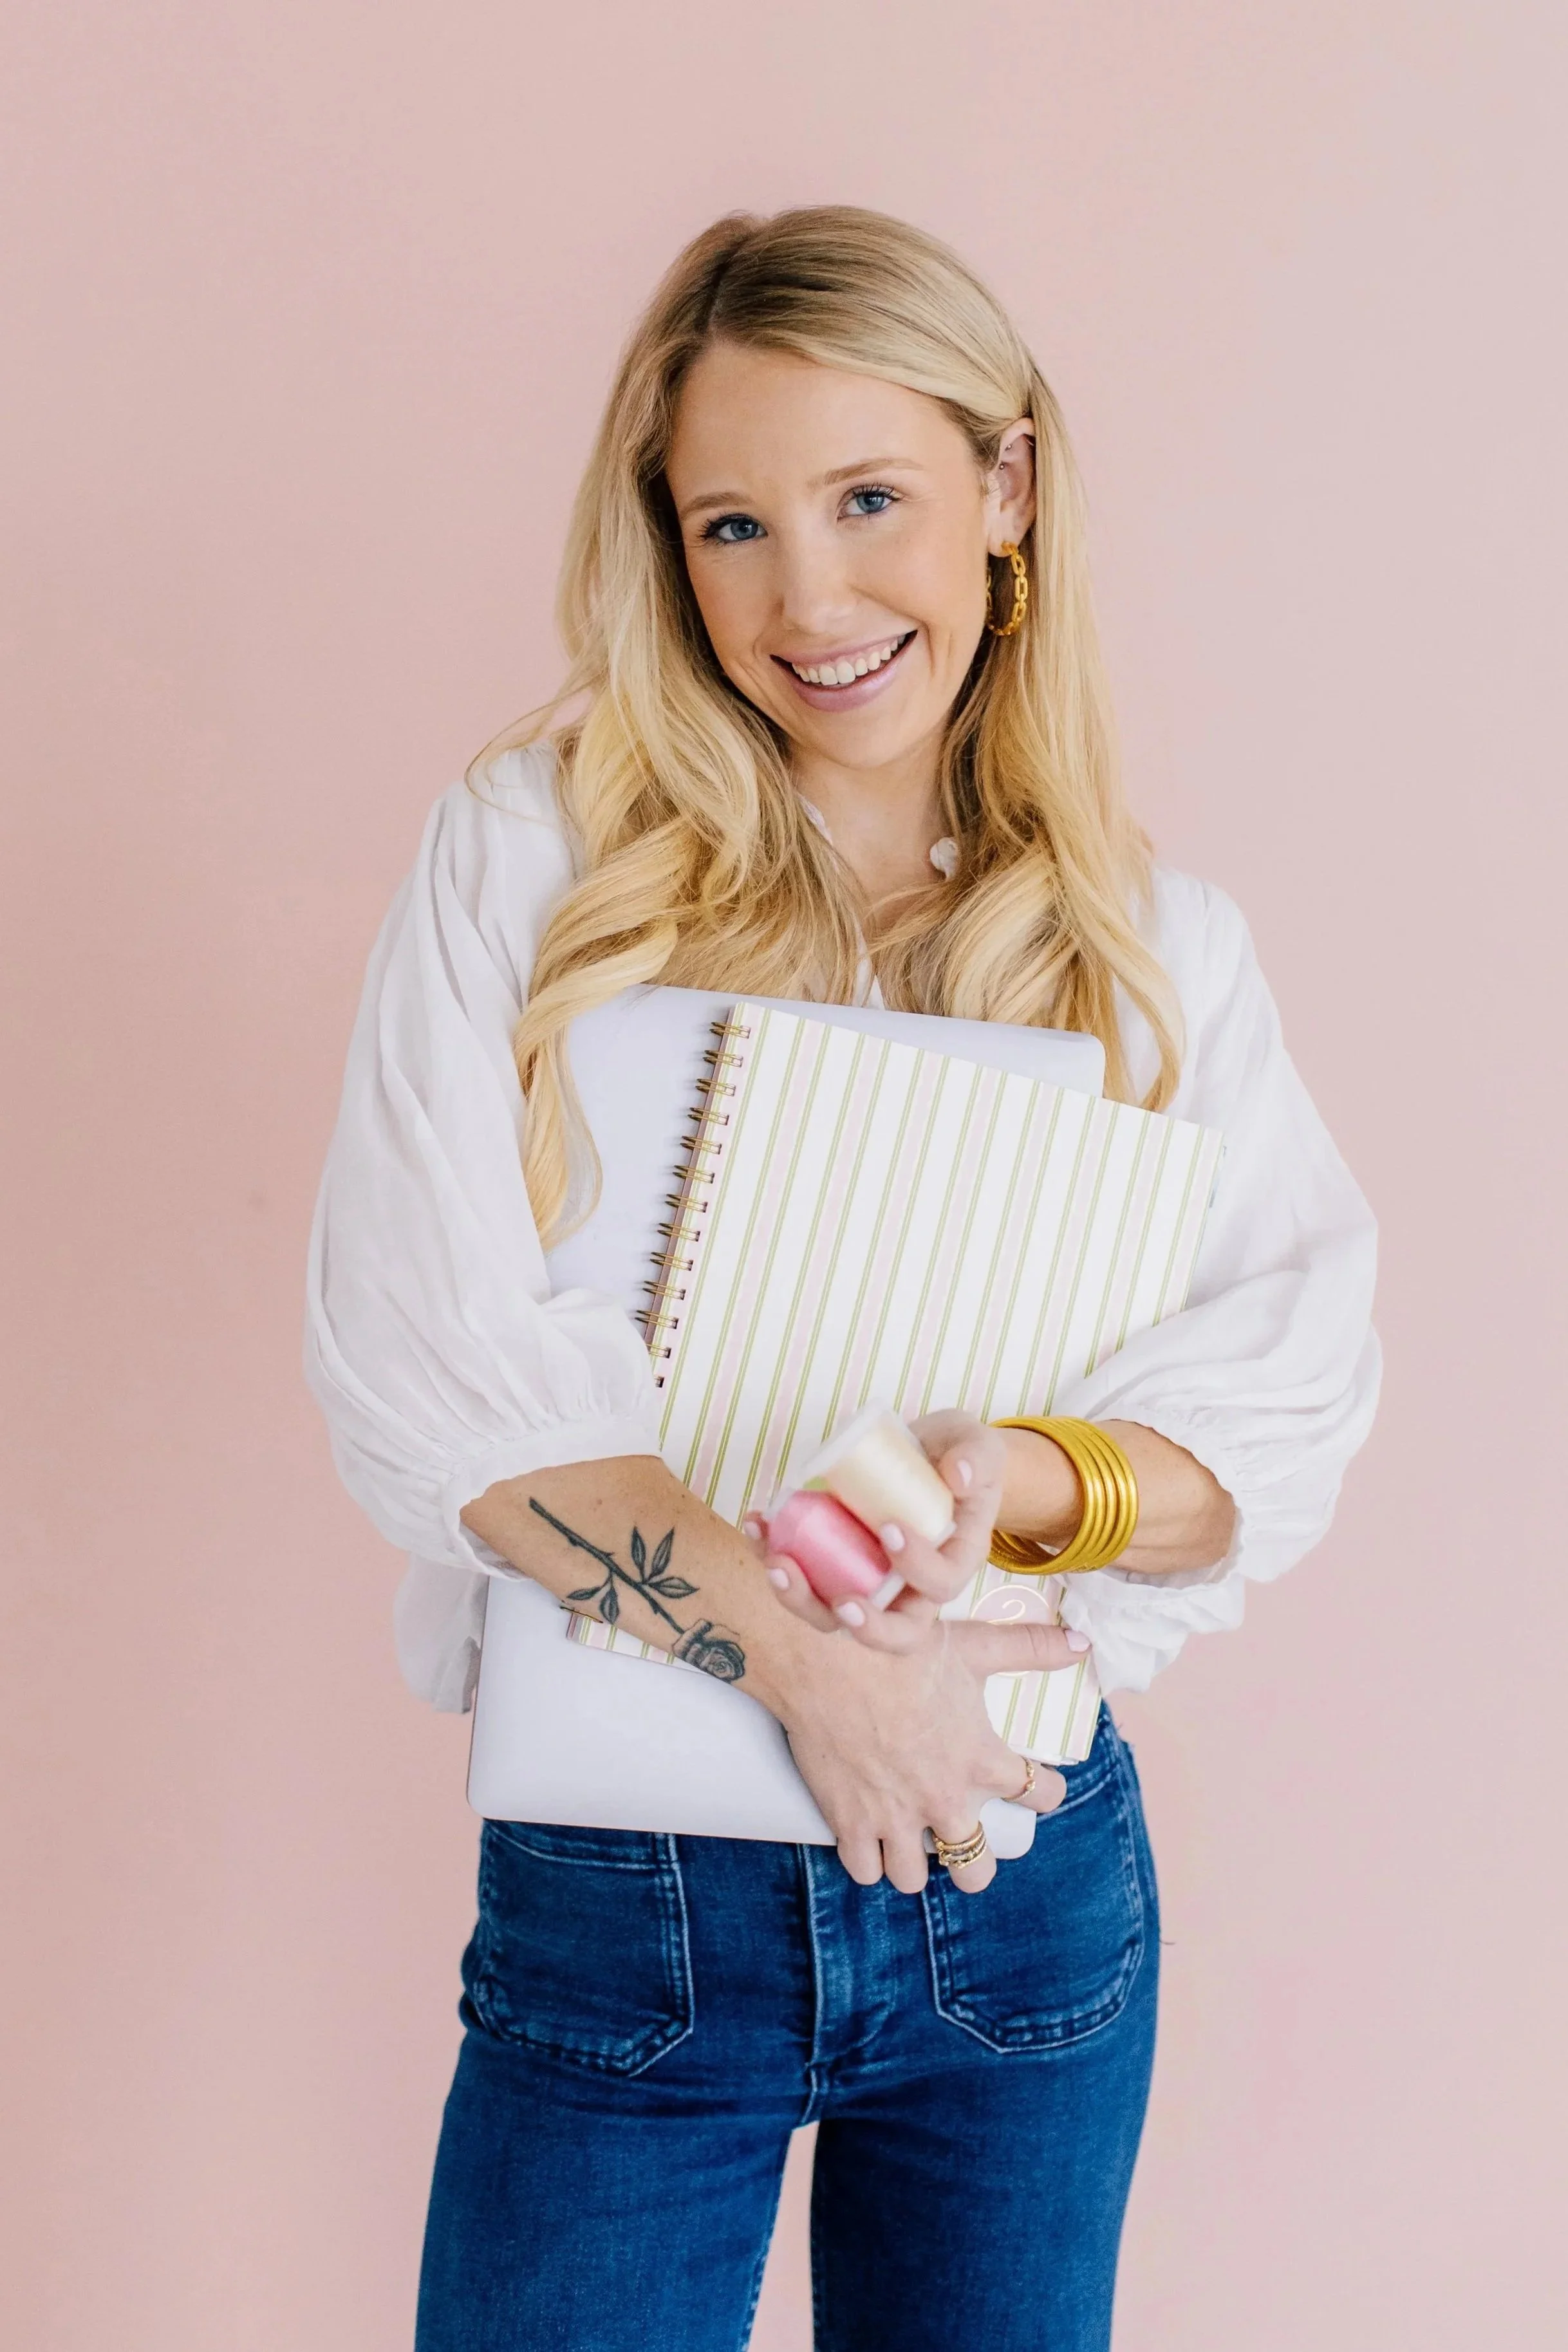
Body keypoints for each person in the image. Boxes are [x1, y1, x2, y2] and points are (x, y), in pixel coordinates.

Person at [306, 207, 1378, 2352]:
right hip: (639, 1901)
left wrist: (1023, 1473)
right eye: (731, 523)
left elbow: (1281, 1411)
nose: (805, 597)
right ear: (666, 547)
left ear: (1005, 492)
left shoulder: (1150, 945)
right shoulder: (533, 859)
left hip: (1016, 1887)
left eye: (868, 497)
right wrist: (817, 1673)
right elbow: (439, 1391)